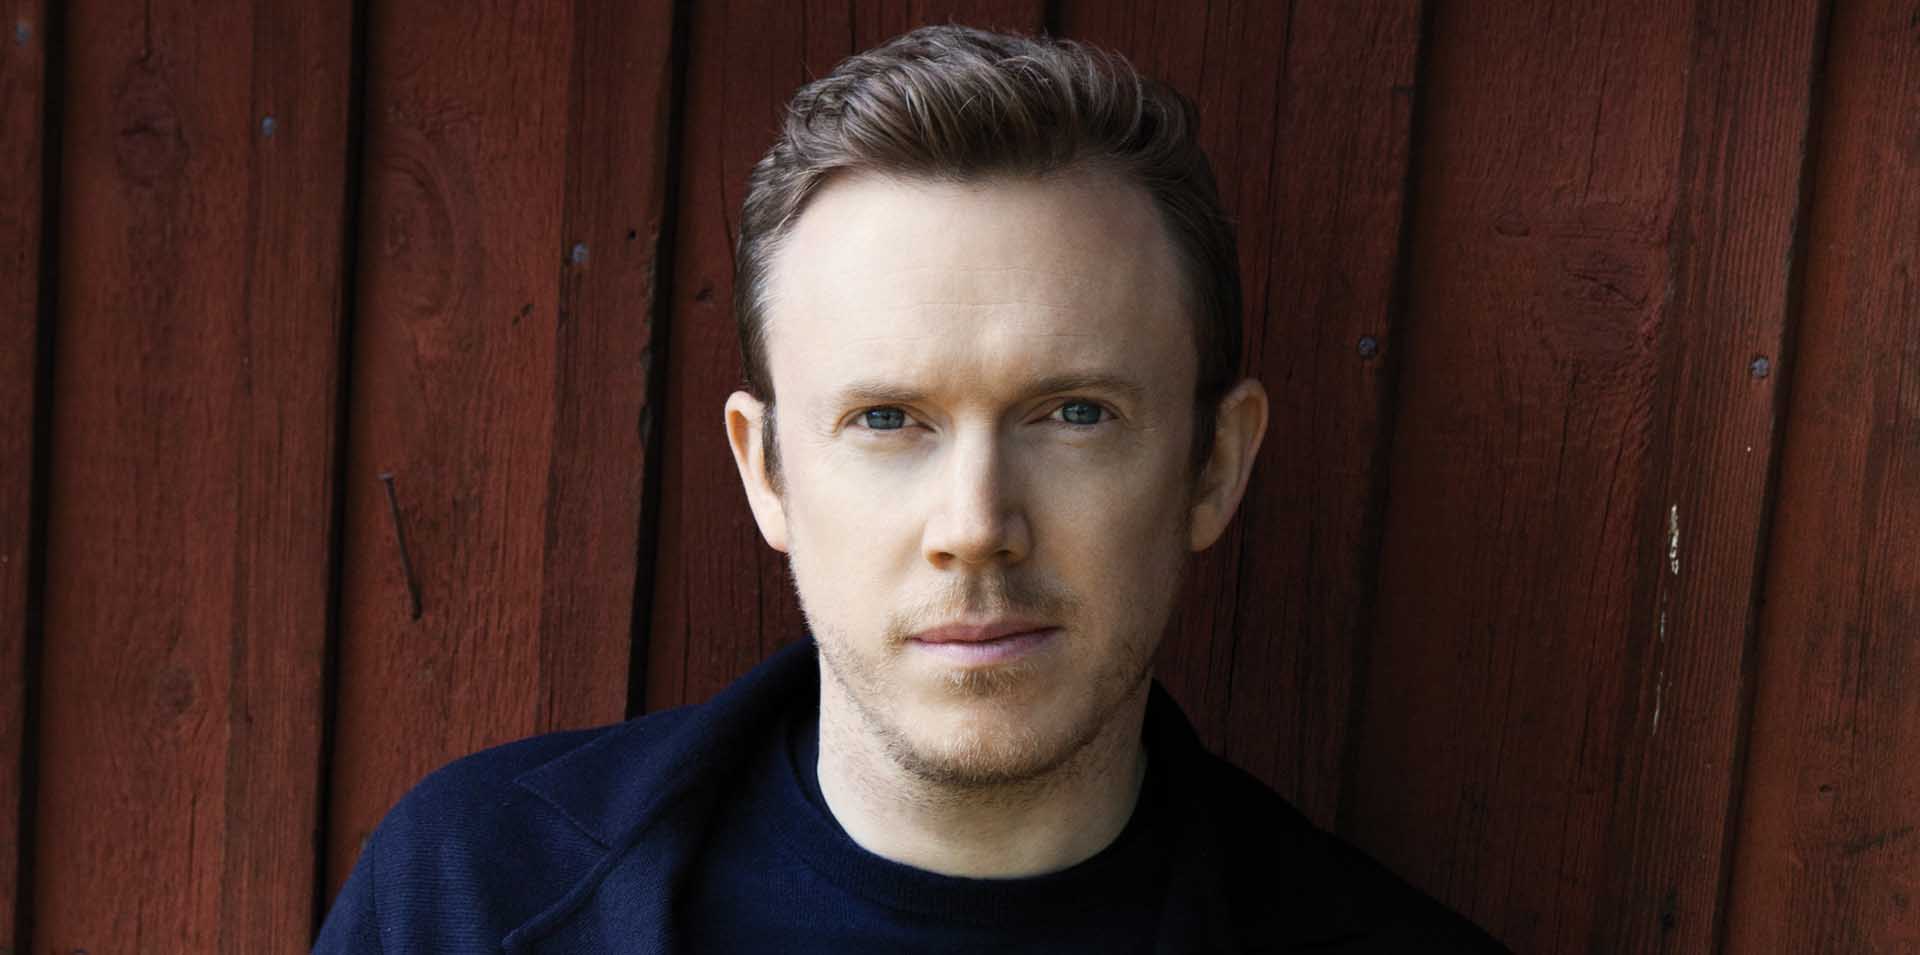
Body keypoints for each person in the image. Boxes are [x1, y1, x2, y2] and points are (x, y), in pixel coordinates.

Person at [315, 24, 1507, 954]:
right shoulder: (469, 893)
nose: (975, 527)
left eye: (1074, 413)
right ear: (766, 471)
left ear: (1216, 464)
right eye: (887, 419)